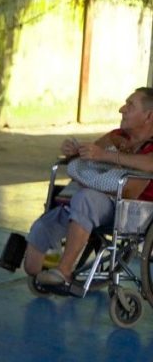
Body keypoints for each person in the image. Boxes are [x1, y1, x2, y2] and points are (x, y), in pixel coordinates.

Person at [24, 87, 153, 288]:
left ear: (149, 116)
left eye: (130, 105)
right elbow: (91, 155)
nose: (122, 109)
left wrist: (105, 155)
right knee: (35, 256)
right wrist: (75, 151)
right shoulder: (117, 135)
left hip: (132, 211)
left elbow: (148, 164)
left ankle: (64, 271)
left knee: (85, 199)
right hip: (98, 201)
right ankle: (41, 267)